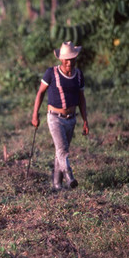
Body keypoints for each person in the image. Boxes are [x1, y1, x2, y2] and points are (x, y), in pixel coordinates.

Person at [31, 41, 89, 190]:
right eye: (66, 59)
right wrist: (35, 115)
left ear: (75, 58)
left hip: (71, 118)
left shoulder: (78, 75)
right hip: (55, 118)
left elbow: (81, 99)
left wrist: (85, 120)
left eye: (71, 59)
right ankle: (69, 177)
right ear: (61, 59)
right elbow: (40, 93)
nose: (68, 62)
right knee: (63, 150)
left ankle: (57, 184)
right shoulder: (51, 73)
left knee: (60, 151)